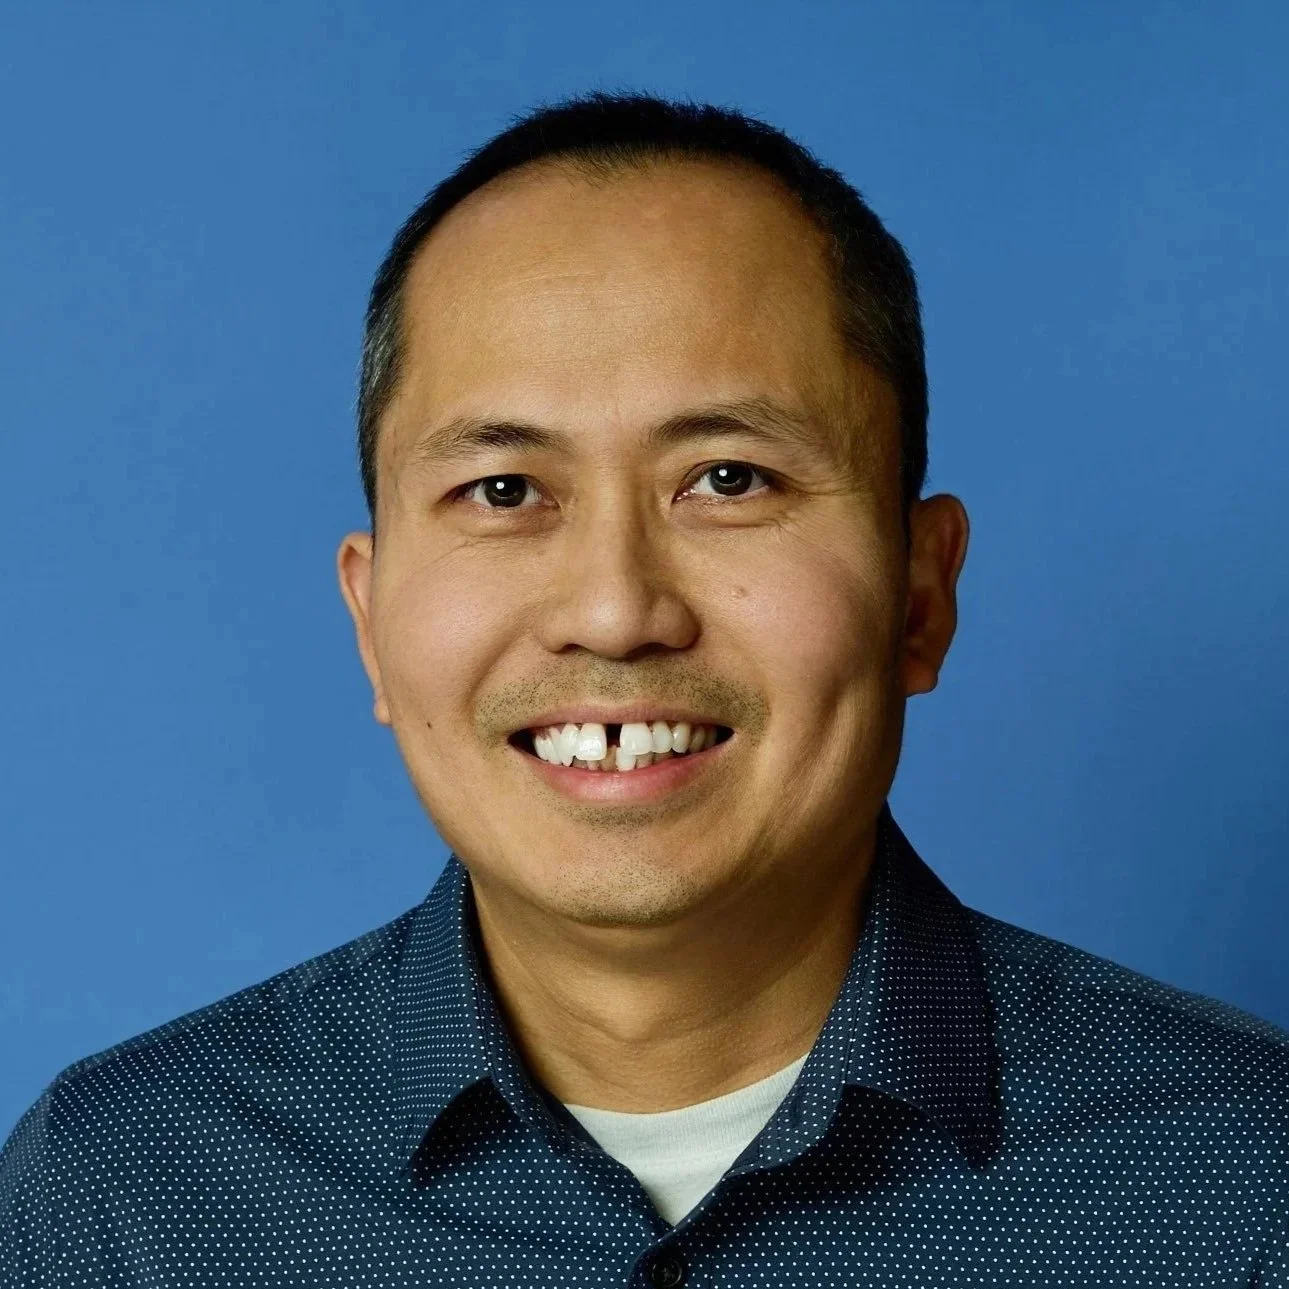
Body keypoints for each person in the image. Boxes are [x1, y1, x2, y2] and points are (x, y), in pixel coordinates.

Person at [3, 91, 1287, 1288]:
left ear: (918, 595)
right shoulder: (123, 1198)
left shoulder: (1242, 1187)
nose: (615, 609)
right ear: (368, 618)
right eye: (502, 492)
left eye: (729, 479)